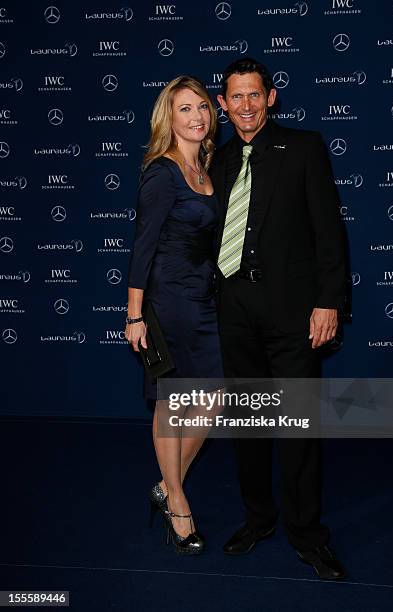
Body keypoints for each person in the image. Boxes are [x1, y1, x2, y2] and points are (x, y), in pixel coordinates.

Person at [210, 58, 347, 580]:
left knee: (297, 428)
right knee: (247, 423)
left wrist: (328, 301)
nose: (244, 106)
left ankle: (308, 535)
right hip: (234, 312)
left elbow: (329, 233)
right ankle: (258, 518)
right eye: (234, 97)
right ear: (223, 105)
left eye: (253, 95)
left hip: (294, 313)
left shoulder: (304, 148)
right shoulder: (218, 160)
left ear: (270, 98)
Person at [125, 76, 223, 554]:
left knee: (213, 400)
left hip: (203, 301)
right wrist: (135, 315)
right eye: (185, 109)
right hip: (166, 303)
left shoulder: (207, 170)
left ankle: (166, 487)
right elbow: (143, 247)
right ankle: (179, 508)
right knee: (173, 403)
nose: (196, 117)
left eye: (202, 107)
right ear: (170, 118)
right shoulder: (161, 172)